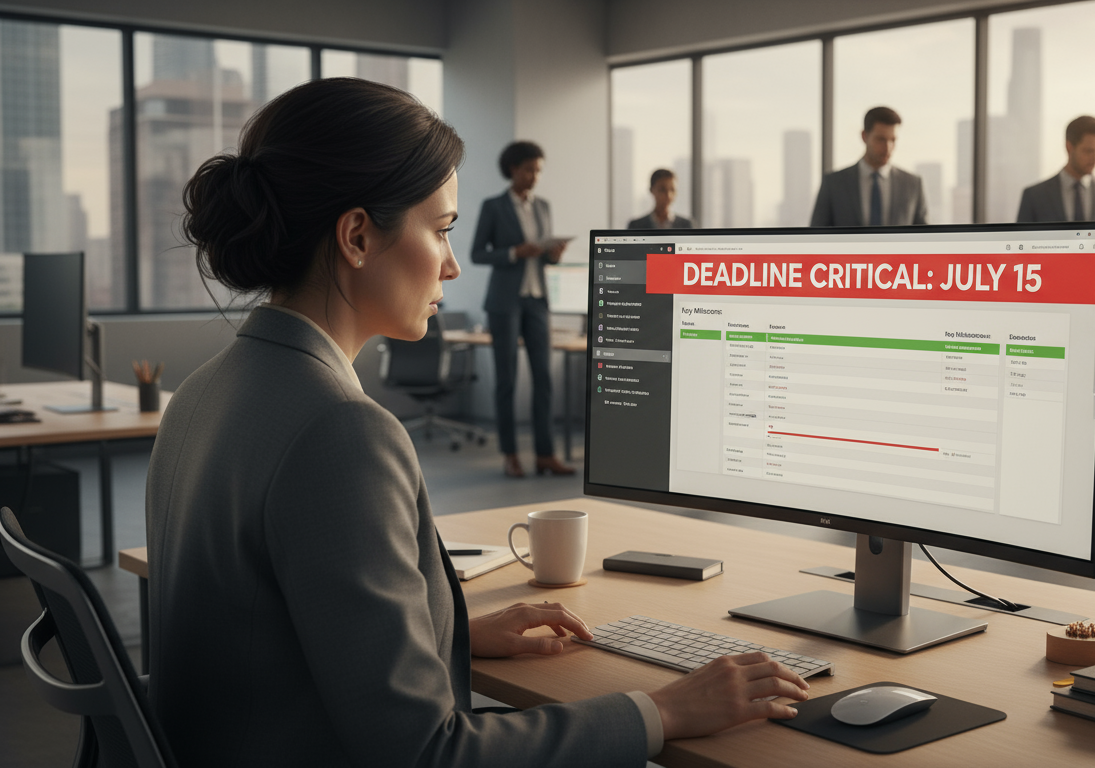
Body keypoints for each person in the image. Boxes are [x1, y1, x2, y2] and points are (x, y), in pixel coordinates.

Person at [155, 78, 810, 768]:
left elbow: (279, 629)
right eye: (439, 230)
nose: (452, 263)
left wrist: (453, 631)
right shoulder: (341, 432)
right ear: (355, 236)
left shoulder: (205, 390)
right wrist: (667, 708)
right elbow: (428, 755)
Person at [471, 141, 574, 478]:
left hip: (537, 300)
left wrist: (552, 254)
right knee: (507, 379)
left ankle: (545, 454)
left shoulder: (543, 206)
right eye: (529, 169)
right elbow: (477, 253)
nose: (534, 176)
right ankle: (510, 454)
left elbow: (543, 255)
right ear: (513, 169)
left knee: (543, 378)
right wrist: (514, 252)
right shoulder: (493, 206)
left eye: (539, 170)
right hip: (504, 302)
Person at [1017, 115, 1095, 266]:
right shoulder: (1034, 195)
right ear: (1069, 147)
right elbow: (1019, 248)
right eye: (1088, 151)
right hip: (1049, 285)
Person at [810, 106, 928, 227]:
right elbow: (816, 236)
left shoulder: (912, 185)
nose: (888, 148)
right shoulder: (834, 183)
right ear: (864, 136)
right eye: (881, 139)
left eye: (893, 140)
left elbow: (924, 239)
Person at [628, 168, 694, 229]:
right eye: (662, 190)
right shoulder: (636, 226)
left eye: (672, 190)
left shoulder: (687, 225)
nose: (668, 195)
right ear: (651, 190)